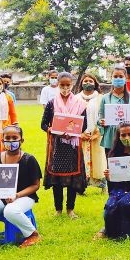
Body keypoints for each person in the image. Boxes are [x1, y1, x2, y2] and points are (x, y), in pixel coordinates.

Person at [0, 125, 42, 248]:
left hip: (24, 197)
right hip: (0, 198)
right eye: (7, 138)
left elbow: (35, 185)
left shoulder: (29, 160)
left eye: (15, 138)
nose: (11, 141)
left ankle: (33, 234)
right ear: (2, 140)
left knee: (10, 210)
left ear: (21, 140)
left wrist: (17, 195)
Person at [41, 72, 88, 218]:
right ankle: (58, 210)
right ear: (58, 85)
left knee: (73, 179)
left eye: (68, 85)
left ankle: (70, 209)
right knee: (57, 179)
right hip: (57, 145)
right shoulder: (51, 103)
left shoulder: (80, 104)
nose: (65, 88)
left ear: (72, 85)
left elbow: (84, 124)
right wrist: (53, 130)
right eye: (62, 85)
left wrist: (72, 132)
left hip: (73, 146)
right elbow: (43, 124)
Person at [98, 64, 130, 153]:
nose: (118, 78)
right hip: (110, 139)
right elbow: (100, 118)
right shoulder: (105, 98)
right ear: (111, 78)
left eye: (121, 76)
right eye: (115, 76)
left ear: (125, 78)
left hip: (128, 138)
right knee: (112, 165)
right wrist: (101, 122)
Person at [76, 72, 106, 189]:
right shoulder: (76, 98)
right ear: (81, 83)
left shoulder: (101, 98)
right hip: (81, 135)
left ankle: (102, 185)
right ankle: (80, 186)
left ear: (95, 84)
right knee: (81, 160)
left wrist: (98, 133)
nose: (88, 83)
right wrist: (80, 133)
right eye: (85, 81)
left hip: (97, 134)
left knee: (99, 160)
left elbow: (104, 116)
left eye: (90, 81)